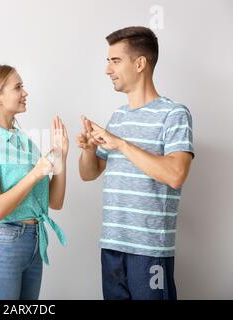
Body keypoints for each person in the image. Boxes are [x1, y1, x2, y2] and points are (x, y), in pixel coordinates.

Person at [77, 26, 194, 300]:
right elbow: (89, 174)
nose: (107, 69)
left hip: (149, 251)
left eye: (115, 60)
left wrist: (120, 144)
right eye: (108, 61)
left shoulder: (174, 114)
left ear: (140, 63)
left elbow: (176, 174)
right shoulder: (118, 117)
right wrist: (88, 150)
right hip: (112, 246)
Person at [0, 65, 68, 300]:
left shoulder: (25, 142)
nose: (25, 93)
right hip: (4, 243)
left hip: (34, 242)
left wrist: (61, 157)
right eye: (18, 87)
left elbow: (56, 202)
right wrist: (36, 173)